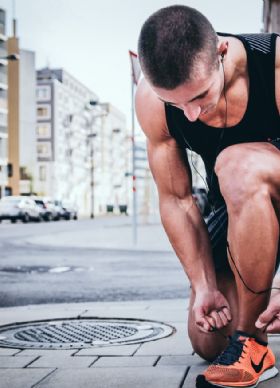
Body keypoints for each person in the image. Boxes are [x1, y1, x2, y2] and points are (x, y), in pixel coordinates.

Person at [135, 5, 280, 388]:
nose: (191, 114)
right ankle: (244, 337)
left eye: (199, 96)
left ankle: (252, 344)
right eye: (176, 104)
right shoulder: (151, 100)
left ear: (222, 52)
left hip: (268, 184)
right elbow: (177, 200)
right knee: (209, 340)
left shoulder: (274, 68)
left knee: (236, 164)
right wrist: (203, 285)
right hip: (238, 210)